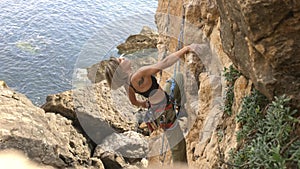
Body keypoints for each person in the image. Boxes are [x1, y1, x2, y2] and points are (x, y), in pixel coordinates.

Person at [105, 44, 197, 164]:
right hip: (166, 113)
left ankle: (181, 109)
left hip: (158, 108)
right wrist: (186, 49)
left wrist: (145, 104)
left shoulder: (128, 85)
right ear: (120, 70)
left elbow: (133, 102)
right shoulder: (139, 73)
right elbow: (165, 62)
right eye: (120, 60)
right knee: (178, 146)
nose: (122, 58)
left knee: (177, 79)